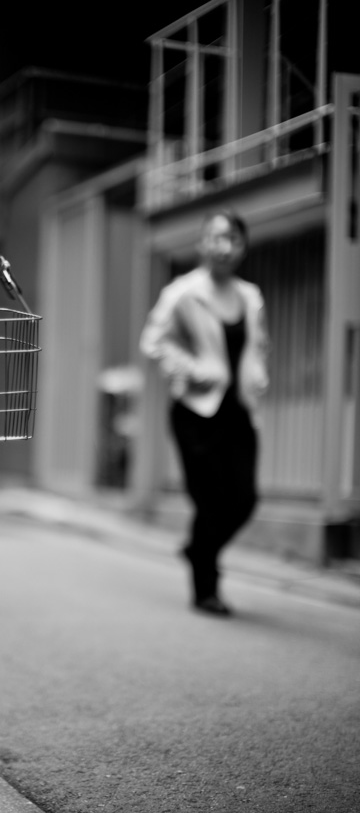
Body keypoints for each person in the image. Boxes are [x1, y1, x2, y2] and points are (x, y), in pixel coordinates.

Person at [139, 210, 269, 615]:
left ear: (243, 246)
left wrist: (259, 374)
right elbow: (153, 342)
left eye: (231, 237)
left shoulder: (251, 296)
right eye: (214, 236)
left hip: (238, 411)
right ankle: (206, 588)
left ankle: (198, 549)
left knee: (244, 498)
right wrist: (193, 370)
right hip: (195, 413)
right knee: (210, 501)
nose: (222, 244)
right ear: (202, 243)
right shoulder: (183, 292)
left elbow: (258, 347)